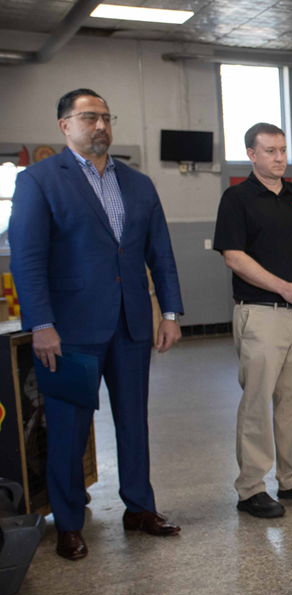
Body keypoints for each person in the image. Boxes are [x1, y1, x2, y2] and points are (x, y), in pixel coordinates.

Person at [9, 88, 184, 561]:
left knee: (134, 422)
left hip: (131, 325)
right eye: (88, 117)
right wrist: (41, 324)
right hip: (70, 331)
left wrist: (168, 313)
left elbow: (160, 254)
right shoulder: (40, 180)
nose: (100, 126)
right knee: (67, 429)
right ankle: (68, 523)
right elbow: (27, 259)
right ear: (65, 125)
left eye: (106, 117)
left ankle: (139, 508)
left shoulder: (139, 183)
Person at [214, 122, 292, 518]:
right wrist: (284, 287)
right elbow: (234, 256)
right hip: (262, 313)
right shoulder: (236, 199)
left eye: (283, 149)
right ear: (251, 154)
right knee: (257, 401)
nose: (279, 157)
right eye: (269, 151)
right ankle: (251, 488)